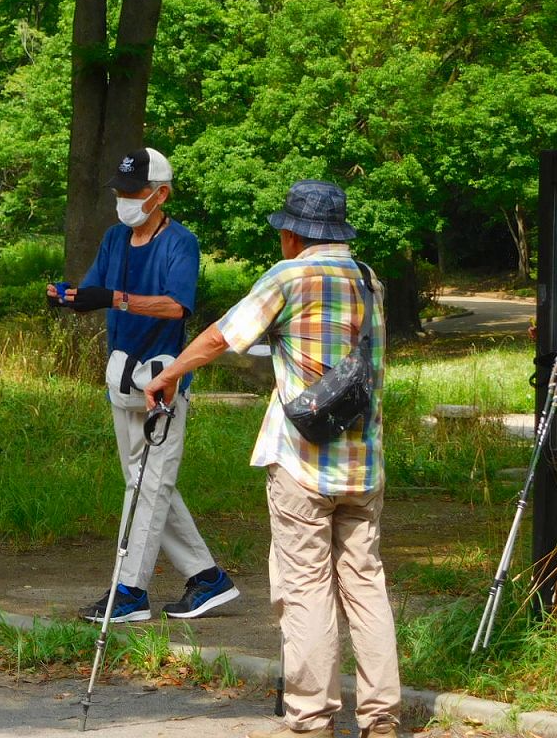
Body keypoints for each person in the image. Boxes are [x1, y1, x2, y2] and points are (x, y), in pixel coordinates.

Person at [144, 180, 401, 738]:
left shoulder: (290, 276)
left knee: (306, 588)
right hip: (364, 462)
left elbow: (220, 337)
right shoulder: (368, 279)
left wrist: (169, 373)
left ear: (292, 234)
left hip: (304, 463)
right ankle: (381, 718)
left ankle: (311, 718)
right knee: (366, 584)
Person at [47, 148, 238, 623]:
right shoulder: (114, 239)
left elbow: (176, 307)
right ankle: (208, 578)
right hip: (121, 373)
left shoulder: (181, 243)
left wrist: (117, 299)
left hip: (164, 376)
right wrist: (69, 297)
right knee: (144, 482)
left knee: (150, 484)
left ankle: (129, 590)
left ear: (161, 194)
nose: (125, 201)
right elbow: (95, 290)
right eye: (121, 192)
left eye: (134, 193)